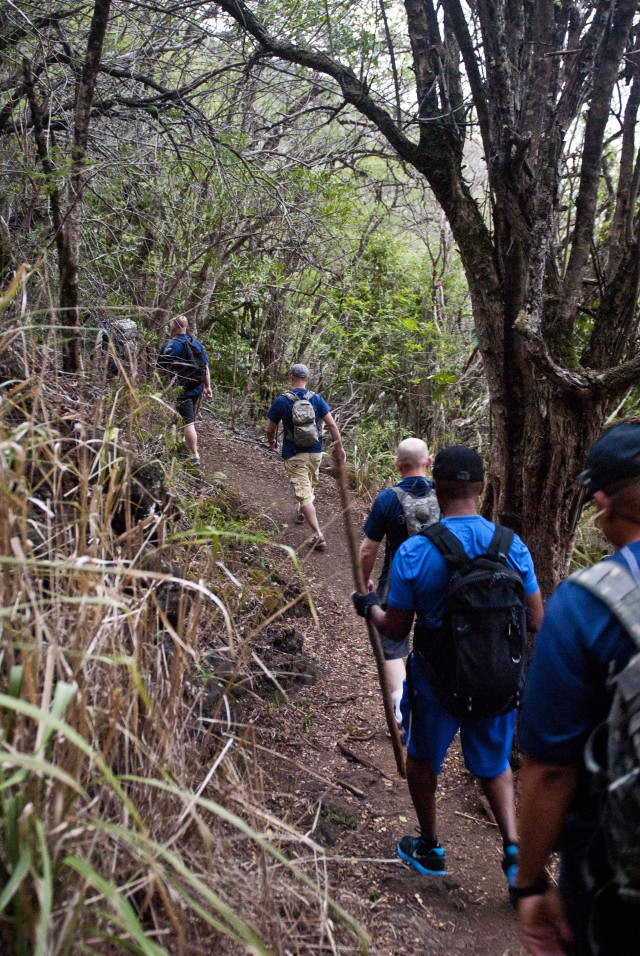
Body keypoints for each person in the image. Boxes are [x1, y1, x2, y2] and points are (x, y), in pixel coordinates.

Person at [352, 445, 543, 896]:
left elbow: (395, 626)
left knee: (422, 760)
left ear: (437, 489)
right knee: (495, 767)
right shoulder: (511, 546)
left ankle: (430, 846)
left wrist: (370, 607)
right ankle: (515, 854)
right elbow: (536, 620)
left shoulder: (417, 551)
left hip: (438, 680)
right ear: (480, 488)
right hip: (497, 680)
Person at [516, 422, 640, 956]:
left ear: (602, 501)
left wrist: (531, 882)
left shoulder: (589, 603)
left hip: (615, 884)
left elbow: (549, 770)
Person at [359, 437, 439, 724]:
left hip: (397, 579)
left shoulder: (387, 499)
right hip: (440, 580)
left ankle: (401, 711)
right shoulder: (444, 494)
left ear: (397, 464)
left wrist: (364, 582)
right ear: (428, 463)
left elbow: (369, 548)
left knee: (393, 644)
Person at [266, 363, 345, 551]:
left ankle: (318, 535)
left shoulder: (282, 401)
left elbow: (270, 428)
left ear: (291, 377)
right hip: (315, 452)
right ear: (307, 379)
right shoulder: (316, 399)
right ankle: (301, 511)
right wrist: (339, 448)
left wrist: (272, 443)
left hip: (294, 454)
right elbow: (332, 426)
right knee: (307, 488)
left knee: (305, 494)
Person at [157, 315, 212, 466]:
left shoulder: (170, 345)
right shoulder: (196, 344)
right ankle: (177, 443)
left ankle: (195, 456)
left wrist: (160, 386)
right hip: (197, 388)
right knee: (183, 416)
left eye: (170, 325)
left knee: (188, 422)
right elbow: (205, 366)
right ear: (185, 327)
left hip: (182, 390)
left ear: (174, 327)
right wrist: (207, 386)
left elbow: (160, 369)